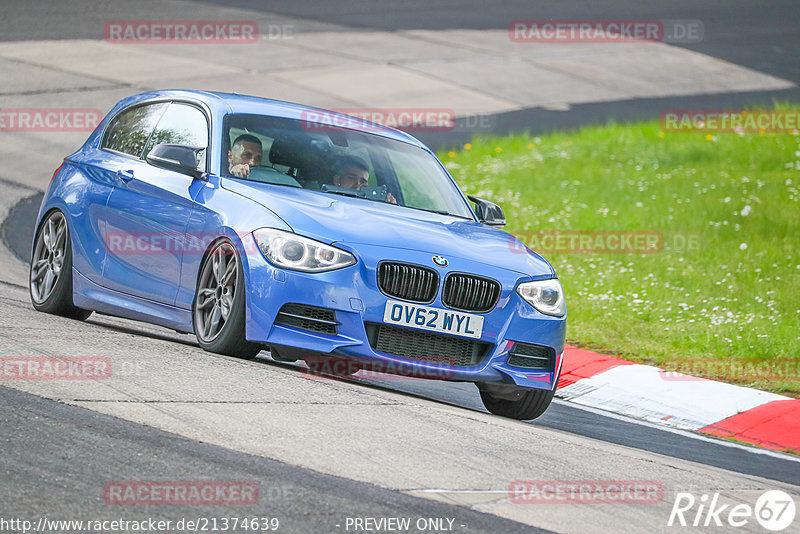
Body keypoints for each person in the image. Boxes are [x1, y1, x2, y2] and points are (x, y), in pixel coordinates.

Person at [330, 156, 396, 204]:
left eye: (362, 181)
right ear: (337, 180)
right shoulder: (326, 200)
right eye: (352, 178)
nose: (358, 183)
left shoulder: (368, 205)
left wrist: (390, 206)